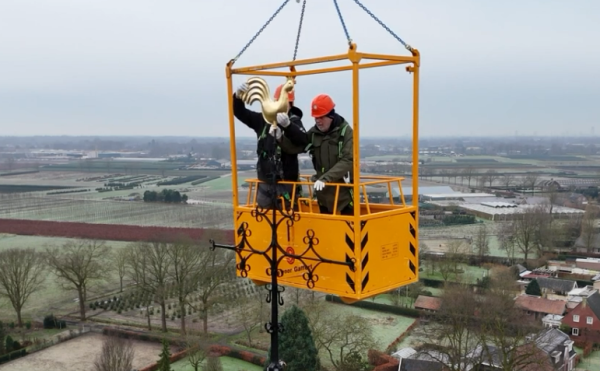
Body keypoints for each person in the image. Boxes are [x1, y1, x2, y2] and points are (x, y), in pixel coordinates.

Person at [232, 82, 306, 210]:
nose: (280, 106)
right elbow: (241, 113)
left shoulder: (294, 122)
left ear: (290, 104)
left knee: (288, 222)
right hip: (265, 184)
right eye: (277, 101)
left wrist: (288, 126)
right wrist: (237, 97)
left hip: (286, 183)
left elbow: (303, 141)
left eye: (284, 102)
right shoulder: (263, 120)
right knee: (265, 224)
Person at [281, 94, 354, 215]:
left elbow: (348, 160)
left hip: (343, 196)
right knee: (325, 232)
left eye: (321, 117)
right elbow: (297, 147)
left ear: (331, 115)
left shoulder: (346, 132)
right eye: (316, 118)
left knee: (347, 232)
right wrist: (280, 137)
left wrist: (326, 179)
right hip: (323, 196)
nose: (318, 121)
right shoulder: (314, 133)